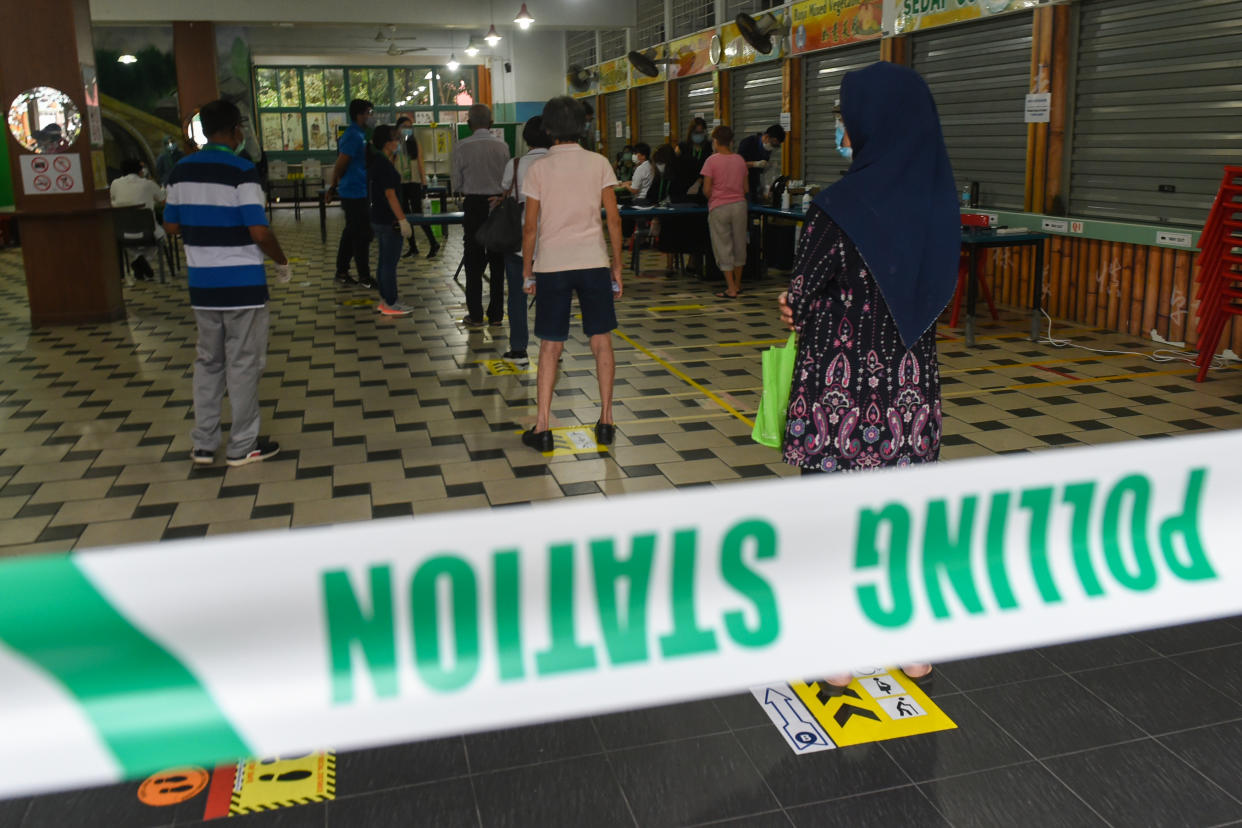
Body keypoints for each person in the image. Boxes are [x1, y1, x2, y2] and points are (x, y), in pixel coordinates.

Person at [778, 62, 959, 688]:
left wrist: (795, 302)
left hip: (842, 390)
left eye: (843, 118)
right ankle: (911, 645)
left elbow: (802, 294)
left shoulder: (840, 204)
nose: (841, 128)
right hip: (910, 388)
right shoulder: (937, 199)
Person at [163, 98, 290, 468]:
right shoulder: (242, 170)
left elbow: (171, 225)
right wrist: (281, 261)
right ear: (236, 130)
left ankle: (203, 444)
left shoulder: (180, 171)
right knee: (244, 364)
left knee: (208, 363)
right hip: (243, 287)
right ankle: (242, 445)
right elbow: (258, 229)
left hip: (203, 287)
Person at [520, 96, 623, 452]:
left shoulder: (538, 169)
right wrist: (617, 266)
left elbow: (530, 228)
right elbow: (613, 218)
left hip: (552, 266)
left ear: (547, 128)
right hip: (593, 262)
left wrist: (526, 271)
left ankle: (544, 427)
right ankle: (607, 421)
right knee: (601, 341)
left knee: (551, 346)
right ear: (582, 126)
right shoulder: (599, 163)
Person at [498, 115, 552, 365]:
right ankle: (552, 347)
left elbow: (505, 189)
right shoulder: (557, 163)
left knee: (517, 297)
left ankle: (519, 350)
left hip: (520, 241)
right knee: (552, 295)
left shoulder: (516, 164)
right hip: (553, 241)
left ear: (526, 138)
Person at [452, 103, 510, 328]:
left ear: (468, 124)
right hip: (497, 204)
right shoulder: (503, 146)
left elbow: (456, 182)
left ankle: (475, 314)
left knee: (473, 260)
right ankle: (496, 315)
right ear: (491, 123)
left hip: (474, 204)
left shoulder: (461, 146)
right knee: (497, 261)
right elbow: (507, 181)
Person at [329, 98, 376, 289]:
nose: (371, 117)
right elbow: (341, 164)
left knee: (352, 232)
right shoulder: (353, 136)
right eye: (368, 113)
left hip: (360, 190)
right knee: (361, 234)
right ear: (360, 115)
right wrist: (333, 187)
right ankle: (363, 276)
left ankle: (342, 271)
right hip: (353, 192)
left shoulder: (360, 135)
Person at [369, 124, 414, 318]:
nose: (398, 142)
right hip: (389, 220)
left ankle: (385, 300)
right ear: (387, 142)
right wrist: (402, 220)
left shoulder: (378, 160)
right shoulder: (383, 164)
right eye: (395, 139)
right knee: (389, 263)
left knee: (384, 262)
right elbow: (390, 194)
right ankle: (390, 302)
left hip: (379, 218)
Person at [700, 125, 748, 299]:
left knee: (723, 246)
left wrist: (715, 195)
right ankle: (738, 284)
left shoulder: (711, 161)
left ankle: (731, 288)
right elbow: (746, 187)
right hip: (740, 206)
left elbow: (706, 189)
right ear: (731, 142)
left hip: (719, 207)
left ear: (715, 141)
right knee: (739, 244)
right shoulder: (740, 160)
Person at [109, 157, 166, 283]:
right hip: (148, 231)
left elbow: (111, 200)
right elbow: (163, 201)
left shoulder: (115, 184)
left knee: (130, 242)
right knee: (160, 236)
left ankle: (137, 259)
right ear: (140, 170)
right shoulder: (148, 184)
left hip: (122, 232)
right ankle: (142, 259)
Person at [393, 116, 440, 259]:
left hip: (413, 181)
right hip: (399, 182)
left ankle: (433, 243)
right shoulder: (394, 143)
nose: (408, 129)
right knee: (405, 215)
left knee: (419, 214)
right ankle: (412, 247)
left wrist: (424, 182)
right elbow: (390, 161)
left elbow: (420, 162)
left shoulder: (415, 142)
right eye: (404, 126)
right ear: (398, 128)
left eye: (410, 126)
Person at [737, 124, 785, 200]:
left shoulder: (767, 150)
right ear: (766, 137)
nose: (772, 147)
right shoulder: (748, 143)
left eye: (775, 145)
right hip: (742, 185)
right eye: (773, 143)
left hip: (755, 185)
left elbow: (762, 172)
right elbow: (738, 165)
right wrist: (755, 164)